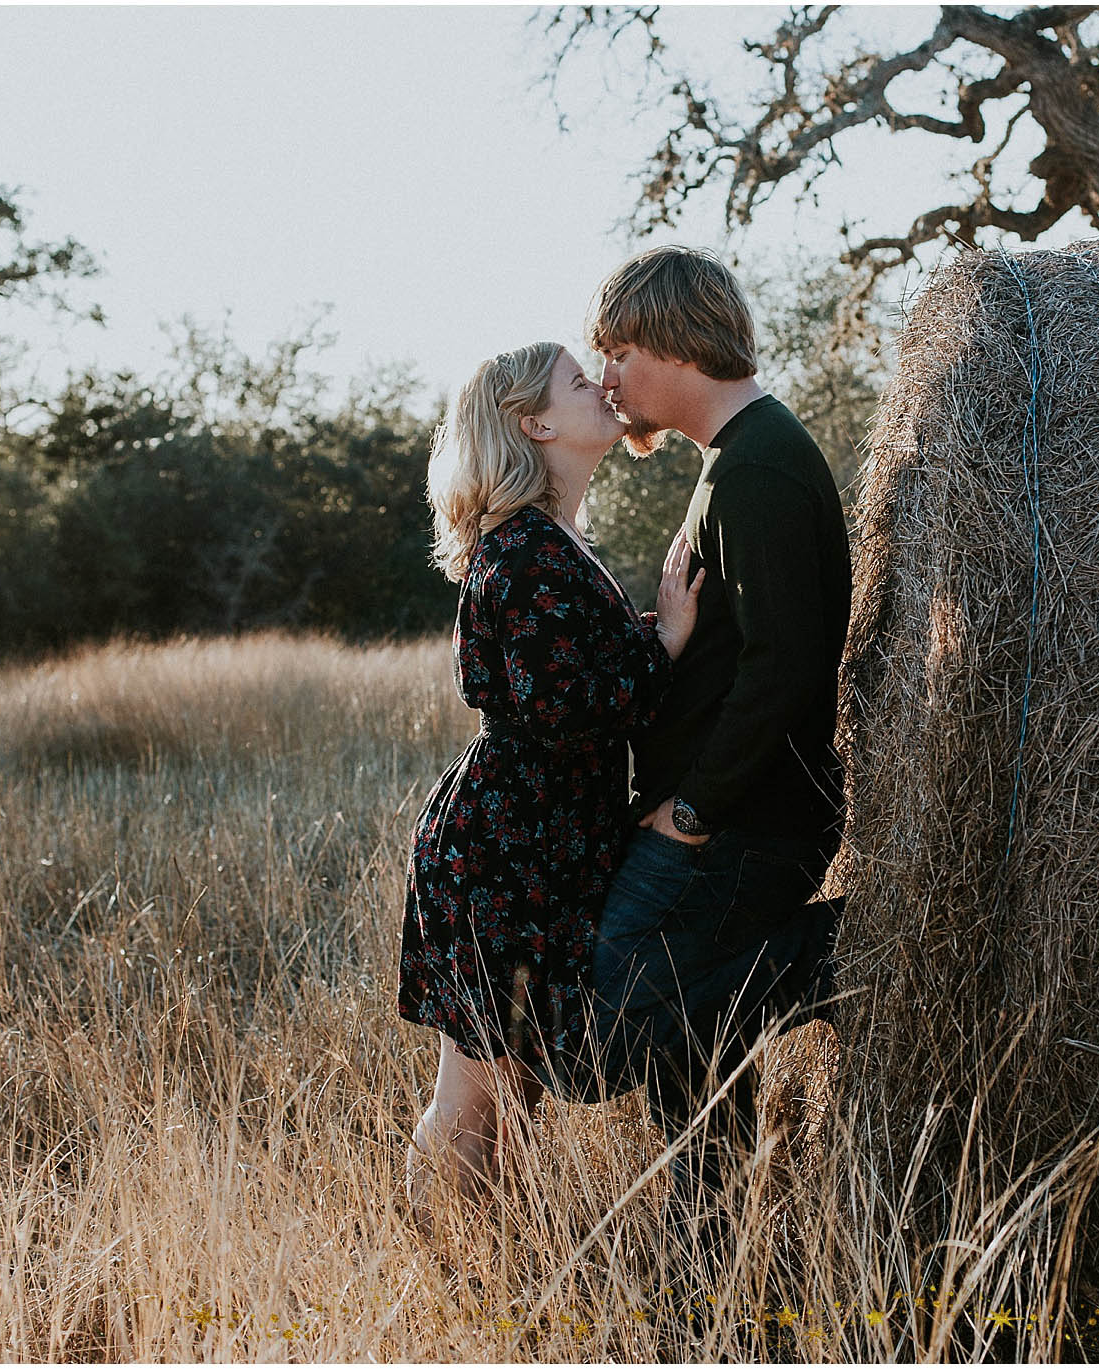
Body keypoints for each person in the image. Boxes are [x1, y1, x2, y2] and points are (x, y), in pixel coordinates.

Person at [572, 246, 852, 1246]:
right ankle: (710, 1257)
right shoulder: (733, 461)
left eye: (616, 352)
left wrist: (692, 809)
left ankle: (834, 957)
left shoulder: (763, 463)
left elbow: (786, 666)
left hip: (744, 822)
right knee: (692, 1049)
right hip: (726, 814)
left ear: (673, 341)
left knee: (618, 1017)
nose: (606, 379)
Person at [397, 340, 704, 1229]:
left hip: (539, 845)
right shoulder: (527, 551)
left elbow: (566, 677)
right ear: (536, 424)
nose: (602, 386)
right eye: (579, 381)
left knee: (514, 1087)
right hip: (506, 851)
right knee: (476, 1091)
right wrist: (668, 643)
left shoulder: (554, 541)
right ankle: (438, 1271)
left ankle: (496, 1265)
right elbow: (563, 709)